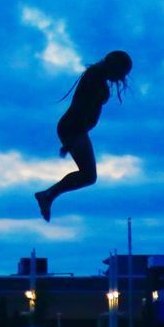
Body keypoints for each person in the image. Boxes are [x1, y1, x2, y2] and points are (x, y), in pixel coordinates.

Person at [35, 50, 133, 221]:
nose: (120, 79)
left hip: (77, 129)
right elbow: (80, 107)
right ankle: (47, 195)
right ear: (113, 67)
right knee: (88, 175)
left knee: (88, 176)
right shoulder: (94, 77)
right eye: (121, 73)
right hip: (74, 128)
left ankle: (48, 195)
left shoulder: (97, 76)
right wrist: (71, 141)